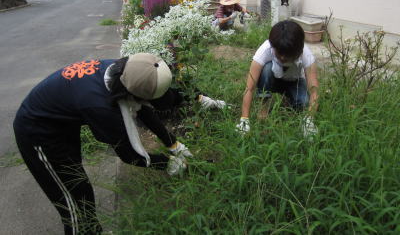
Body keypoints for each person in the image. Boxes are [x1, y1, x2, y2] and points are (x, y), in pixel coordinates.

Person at [13, 53, 192, 234]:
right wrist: (168, 163)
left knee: (79, 184)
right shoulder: (102, 107)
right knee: (75, 203)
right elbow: (130, 156)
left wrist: (173, 144)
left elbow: (145, 109)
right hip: (37, 131)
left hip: (62, 122)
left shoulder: (126, 71)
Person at [236, 20, 319, 140]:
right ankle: (264, 108)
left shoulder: (306, 55)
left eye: (288, 54)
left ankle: (289, 100)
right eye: (279, 53)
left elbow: (314, 91)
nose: (283, 57)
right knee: (266, 69)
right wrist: (244, 120)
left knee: (304, 103)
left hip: (294, 82)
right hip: (272, 78)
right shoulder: (265, 50)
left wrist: (309, 120)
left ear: (299, 50)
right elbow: (249, 88)